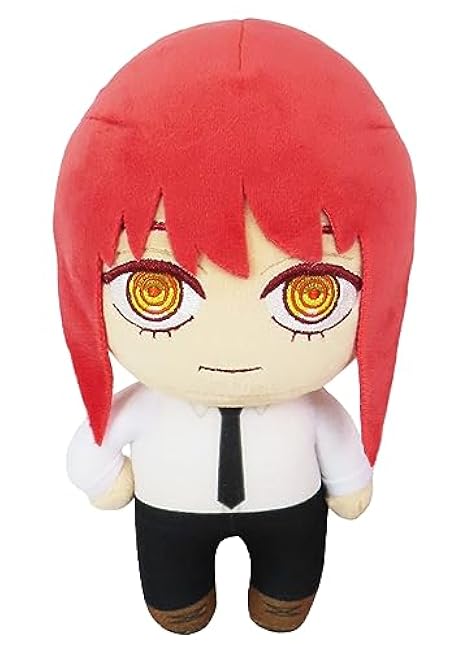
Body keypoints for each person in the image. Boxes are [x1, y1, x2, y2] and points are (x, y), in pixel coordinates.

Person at [54, 19, 415, 634]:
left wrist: (350, 477)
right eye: (155, 290)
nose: (232, 348)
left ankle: (282, 598)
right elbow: (93, 450)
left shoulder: (309, 411)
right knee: (173, 591)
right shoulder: (149, 408)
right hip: (171, 517)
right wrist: (100, 473)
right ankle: (180, 601)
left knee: (290, 582)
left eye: (310, 295)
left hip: (291, 515)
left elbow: (341, 453)